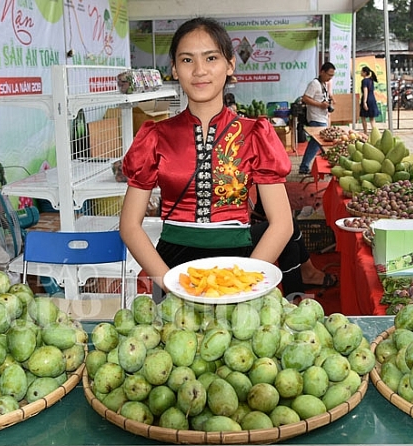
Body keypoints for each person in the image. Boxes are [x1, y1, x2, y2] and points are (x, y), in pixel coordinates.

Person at [120, 17, 294, 294]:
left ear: (230, 64)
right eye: (187, 60)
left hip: (241, 265)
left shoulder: (255, 134)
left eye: (210, 58)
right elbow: (129, 226)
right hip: (171, 268)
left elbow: (282, 224)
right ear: (175, 69)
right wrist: (168, 283)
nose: (199, 70)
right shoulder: (155, 136)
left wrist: (245, 282)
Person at [250, 189, 337, 299]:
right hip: (227, 239)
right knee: (288, 228)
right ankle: (306, 276)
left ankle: (294, 300)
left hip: (232, 231)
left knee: (291, 245)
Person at [298, 62, 335, 175]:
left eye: (332, 75)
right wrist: (320, 105)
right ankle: (328, 164)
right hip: (315, 118)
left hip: (322, 117)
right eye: (329, 74)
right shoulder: (314, 83)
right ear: (322, 72)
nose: (330, 77)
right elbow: (305, 98)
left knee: (315, 144)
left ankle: (305, 166)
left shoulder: (323, 84)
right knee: (320, 143)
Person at [359, 66, 380, 135]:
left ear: (365, 73)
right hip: (372, 99)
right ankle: (375, 133)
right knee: (372, 119)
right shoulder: (371, 80)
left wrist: (364, 102)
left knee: (363, 117)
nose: (360, 73)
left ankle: (365, 132)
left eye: (361, 71)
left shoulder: (364, 81)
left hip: (367, 99)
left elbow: (365, 91)